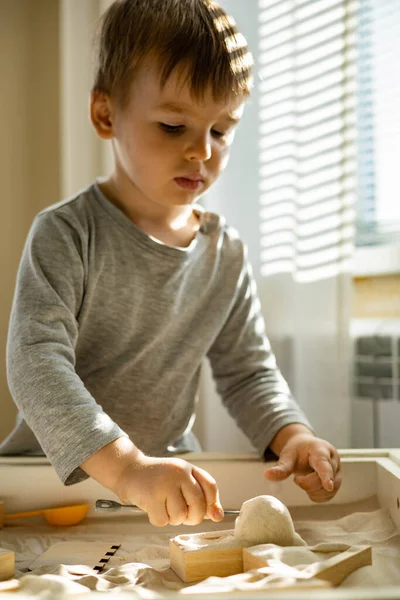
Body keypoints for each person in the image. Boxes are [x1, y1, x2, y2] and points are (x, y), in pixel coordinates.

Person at [0, 0, 342, 527]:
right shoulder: (67, 232)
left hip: (165, 486)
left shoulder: (224, 252)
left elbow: (248, 372)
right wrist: (128, 467)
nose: (202, 152)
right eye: (172, 126)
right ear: (106, 114)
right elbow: (35, 363)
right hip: (50, 484)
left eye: (221, 131)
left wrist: (292, 435)